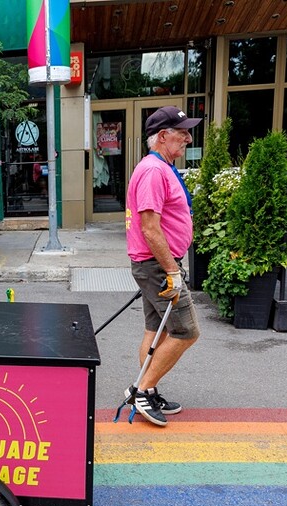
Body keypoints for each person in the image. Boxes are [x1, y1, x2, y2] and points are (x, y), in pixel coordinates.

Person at [123, 106, 202, 427]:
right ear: (162, 136)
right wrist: (172, 271)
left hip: (156, 264)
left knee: (155, 330)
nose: (188, 138)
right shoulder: (154, 171)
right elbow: (150, 227)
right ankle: (141, 391)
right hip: (158, 266)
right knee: (186, 331)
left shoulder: (161, 167)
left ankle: (147, 389)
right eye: (181, 132)